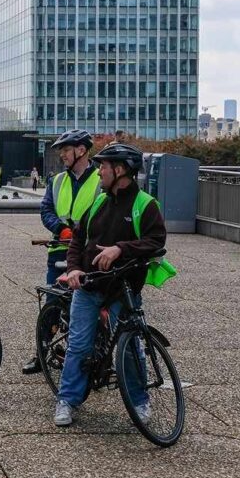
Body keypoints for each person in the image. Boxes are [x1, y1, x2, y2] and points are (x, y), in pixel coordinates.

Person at [53, 143, 166, 427]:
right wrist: (75, 268)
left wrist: (120, 249)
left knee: (130, 349)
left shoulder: (145, 205)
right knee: (78, 344)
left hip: (123, 289)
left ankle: (140, 402)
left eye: (104, 166)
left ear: (120, 170)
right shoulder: (100, 201)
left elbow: (156, 241)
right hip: (90, 284)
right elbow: (78, 239)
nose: (99, 170)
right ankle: (67, 400)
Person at [22, 129, 100, 375]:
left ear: (81, 150)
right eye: (62, 151)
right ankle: (42, 353)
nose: (62, 155)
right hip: (59, 252)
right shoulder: (57, 181)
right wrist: (60, 229)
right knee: (53, 303)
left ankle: (94, 355)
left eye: (66, 150)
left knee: (93, 306)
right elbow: (46, 211)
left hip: (90, 253)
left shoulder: (101, 179)